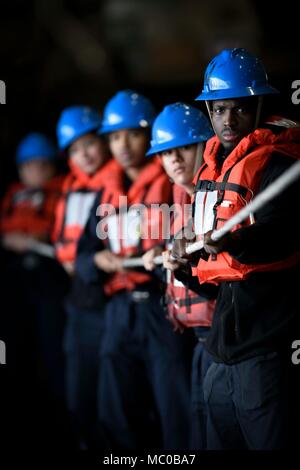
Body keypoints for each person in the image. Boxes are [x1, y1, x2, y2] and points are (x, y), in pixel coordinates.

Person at [170, 48, 300, 450]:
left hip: (266, 347)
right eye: (219, 109)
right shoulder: (213, 172)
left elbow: (282, 235)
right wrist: (183, 263)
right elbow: (213, 279)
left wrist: (236, 239)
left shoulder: (281, 165)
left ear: (259, 106)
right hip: (220, 348)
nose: (228, 121)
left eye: (240, 109)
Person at [78, 90, 192, 450]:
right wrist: (97, 260)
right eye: (114, 136)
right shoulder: (106, 192)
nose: (123, 144)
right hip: (118, 312)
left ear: (150, 135)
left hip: (161, 310)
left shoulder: (172, 181)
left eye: (132, 133)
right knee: (117, 411)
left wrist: (163, 251)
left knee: (176, 409)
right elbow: (84, 255)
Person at [142, 102, 217, 449]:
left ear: (206, 145)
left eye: (184, 147)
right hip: (197, 342)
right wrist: (160, 257)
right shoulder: (177, 202)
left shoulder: (220, 195)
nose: (174, 159)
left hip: (226, 341)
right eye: (166, 152)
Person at [0, 132, 70, 449]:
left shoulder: (61, 192)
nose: (36, 171)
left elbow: (55, 231)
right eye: (30, 166)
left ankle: (61, 421)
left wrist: (33, 239)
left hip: (50, 279)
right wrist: (15, 240)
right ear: (20, 169)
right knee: (17, 348)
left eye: (43, 164)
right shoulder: (14, 195)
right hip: (17, 283)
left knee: (52, 347)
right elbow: (5, 231)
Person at [53, 105, 111, 449]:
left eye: (89, 143)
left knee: (113, 398)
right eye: (75, 148)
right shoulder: (71, 189)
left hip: (111, 304)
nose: (84, 154)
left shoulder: (120, 184)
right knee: (79, 392)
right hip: (79, 305)